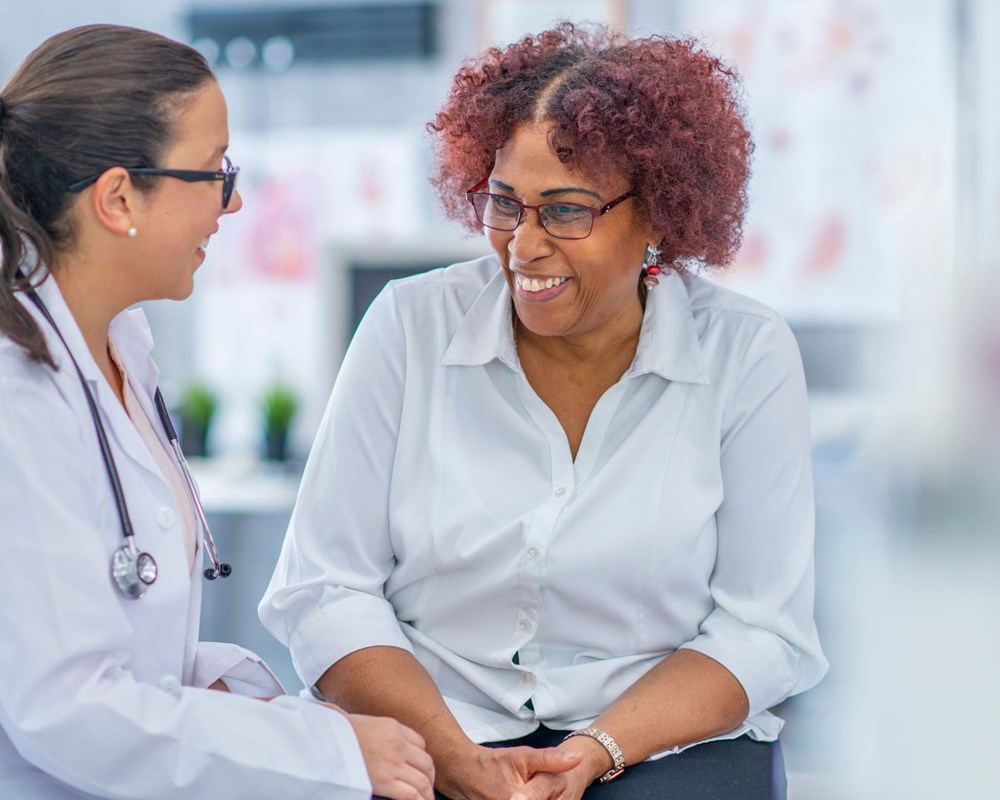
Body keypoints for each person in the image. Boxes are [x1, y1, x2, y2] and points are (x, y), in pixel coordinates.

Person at [260, 23, 827, 800]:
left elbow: (762, 628)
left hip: (658, 741)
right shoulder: (408, 327)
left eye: (564, 211)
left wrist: (595, 750)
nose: (522, 245)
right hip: (431, 723)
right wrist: (454, 757)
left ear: (660, 215)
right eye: (504, 203)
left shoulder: (745, 354)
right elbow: (325, 590)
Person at [0, 24, 434, 800]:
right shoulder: (19, 392)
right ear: (118, 197)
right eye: (213, 172)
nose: (232, 203)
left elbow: (103, 635)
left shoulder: (121, 349)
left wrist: (234, 693)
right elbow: (67, 706)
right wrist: (323, 750)